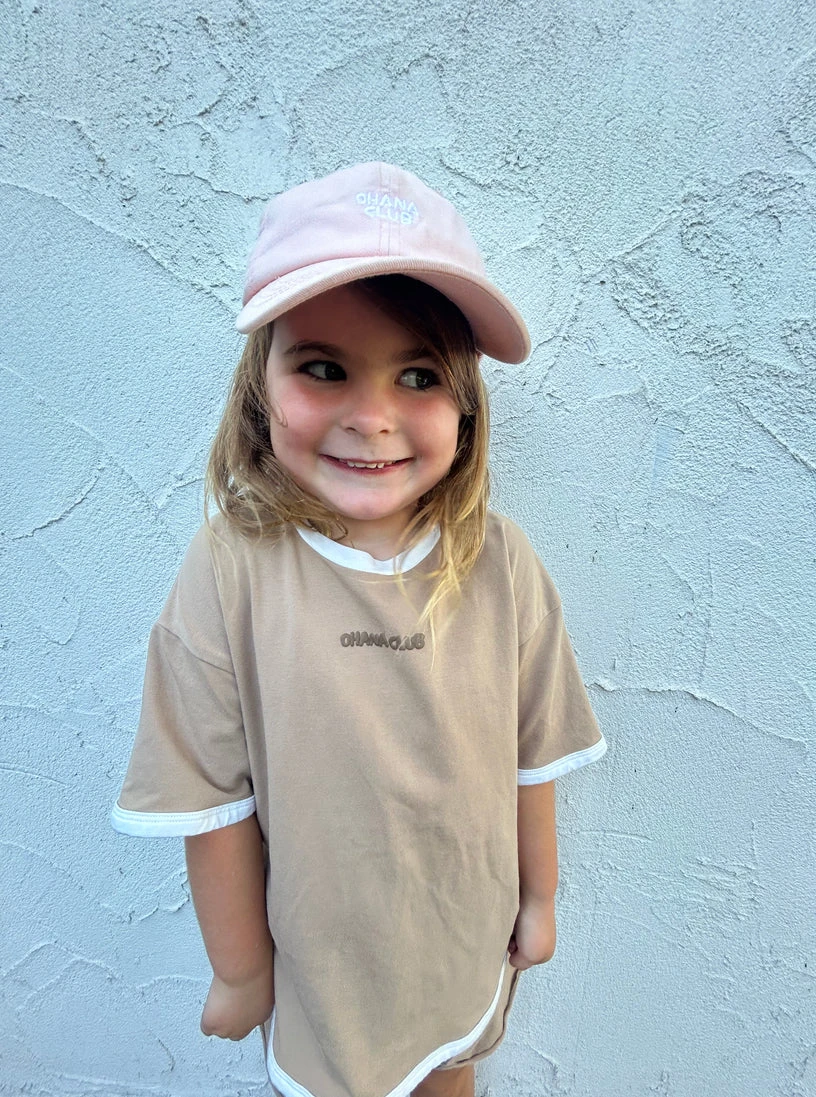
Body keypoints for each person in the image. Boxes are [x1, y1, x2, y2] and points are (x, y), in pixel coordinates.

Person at [111, 162, 607, 1097]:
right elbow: (212, 802)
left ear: (465, 402)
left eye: (418, 375)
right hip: (321, 963)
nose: (371, 417)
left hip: (461, 939)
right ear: (260, 386)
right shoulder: (232, 569)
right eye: (323, 367)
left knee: (449, 1074)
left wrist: (539, 897)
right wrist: (240, 970)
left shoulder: (498, 562)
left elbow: (532, 753)